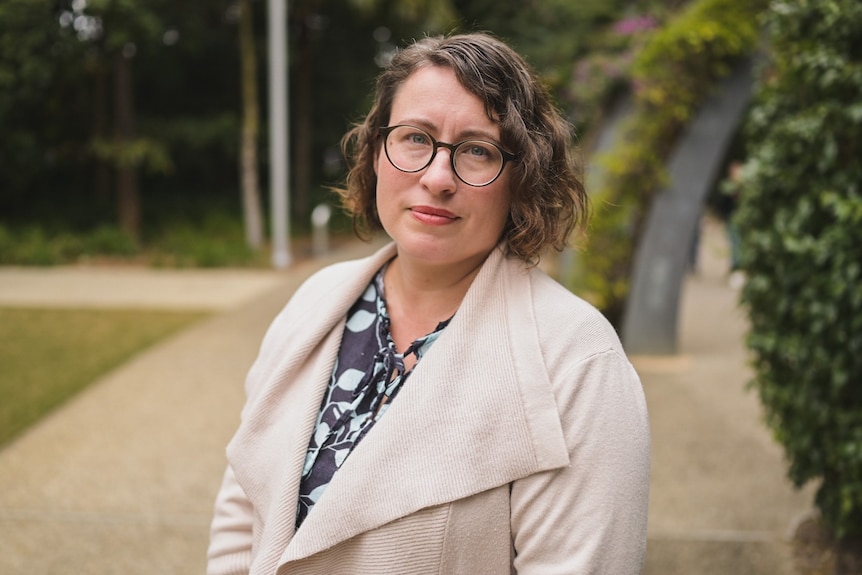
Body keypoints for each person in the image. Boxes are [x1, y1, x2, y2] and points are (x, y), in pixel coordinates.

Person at [207, 32, 650, 574]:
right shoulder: (315, 302)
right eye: (415, 138)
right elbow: (243, 506)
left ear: (523, 176)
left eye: (478, 149)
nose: (438, 177)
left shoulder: (577, 361)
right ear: (376, 151)